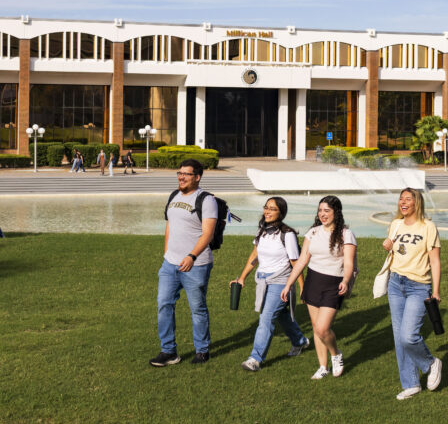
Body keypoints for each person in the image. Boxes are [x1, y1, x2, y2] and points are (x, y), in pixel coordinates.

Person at [150, 159, 218, 367]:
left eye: (186, 174)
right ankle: (169, 351)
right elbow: (170, 225)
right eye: (179, 173)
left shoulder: (206, 200)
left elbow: (208, 234)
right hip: (170, 264)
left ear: (197, 177)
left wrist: (192, 256)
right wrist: (166, 253)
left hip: (196, 264)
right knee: (164, 304)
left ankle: (202, 350)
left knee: (197, 308)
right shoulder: (174, 195)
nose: (181, 177)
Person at [281, 195, 356, 379]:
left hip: (334, 283)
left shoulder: (346, 234)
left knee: (323, 328)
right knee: (316, 327)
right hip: (313, 281)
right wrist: (289, 283)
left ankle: (335, 354)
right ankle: (323, 367)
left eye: (327, 211)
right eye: (320, 210)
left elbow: (349, 263)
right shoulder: (313, 232)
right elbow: (301, 261)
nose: (322, 214)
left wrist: (345, 281)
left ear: (336, 213)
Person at [234, 197, 310, 372]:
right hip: (263, 281)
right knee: (282, 315)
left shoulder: (287, 234)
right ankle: (300, 341)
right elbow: (254, 256)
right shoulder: (262, 231)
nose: (267, 211)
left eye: (272, 209)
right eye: (266, 208)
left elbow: (295, 262)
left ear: (281, 213)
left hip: (281, 282)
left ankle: (255, 359)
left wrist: (302, 287)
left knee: (266, 318)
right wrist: (242, 278)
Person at [382, 188, 442, 399]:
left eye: (408, 199)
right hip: (396, 284)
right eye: (401, 199)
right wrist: (387, 246)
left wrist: (435, 290)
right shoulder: (396, 225)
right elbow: (396, 251)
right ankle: (411, 384)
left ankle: (431, 363)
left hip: (419, 286)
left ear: (417, 203)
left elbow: (434, 260)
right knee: (399, 338)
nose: (403, 202)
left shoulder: (428, 227)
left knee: (409, 336)